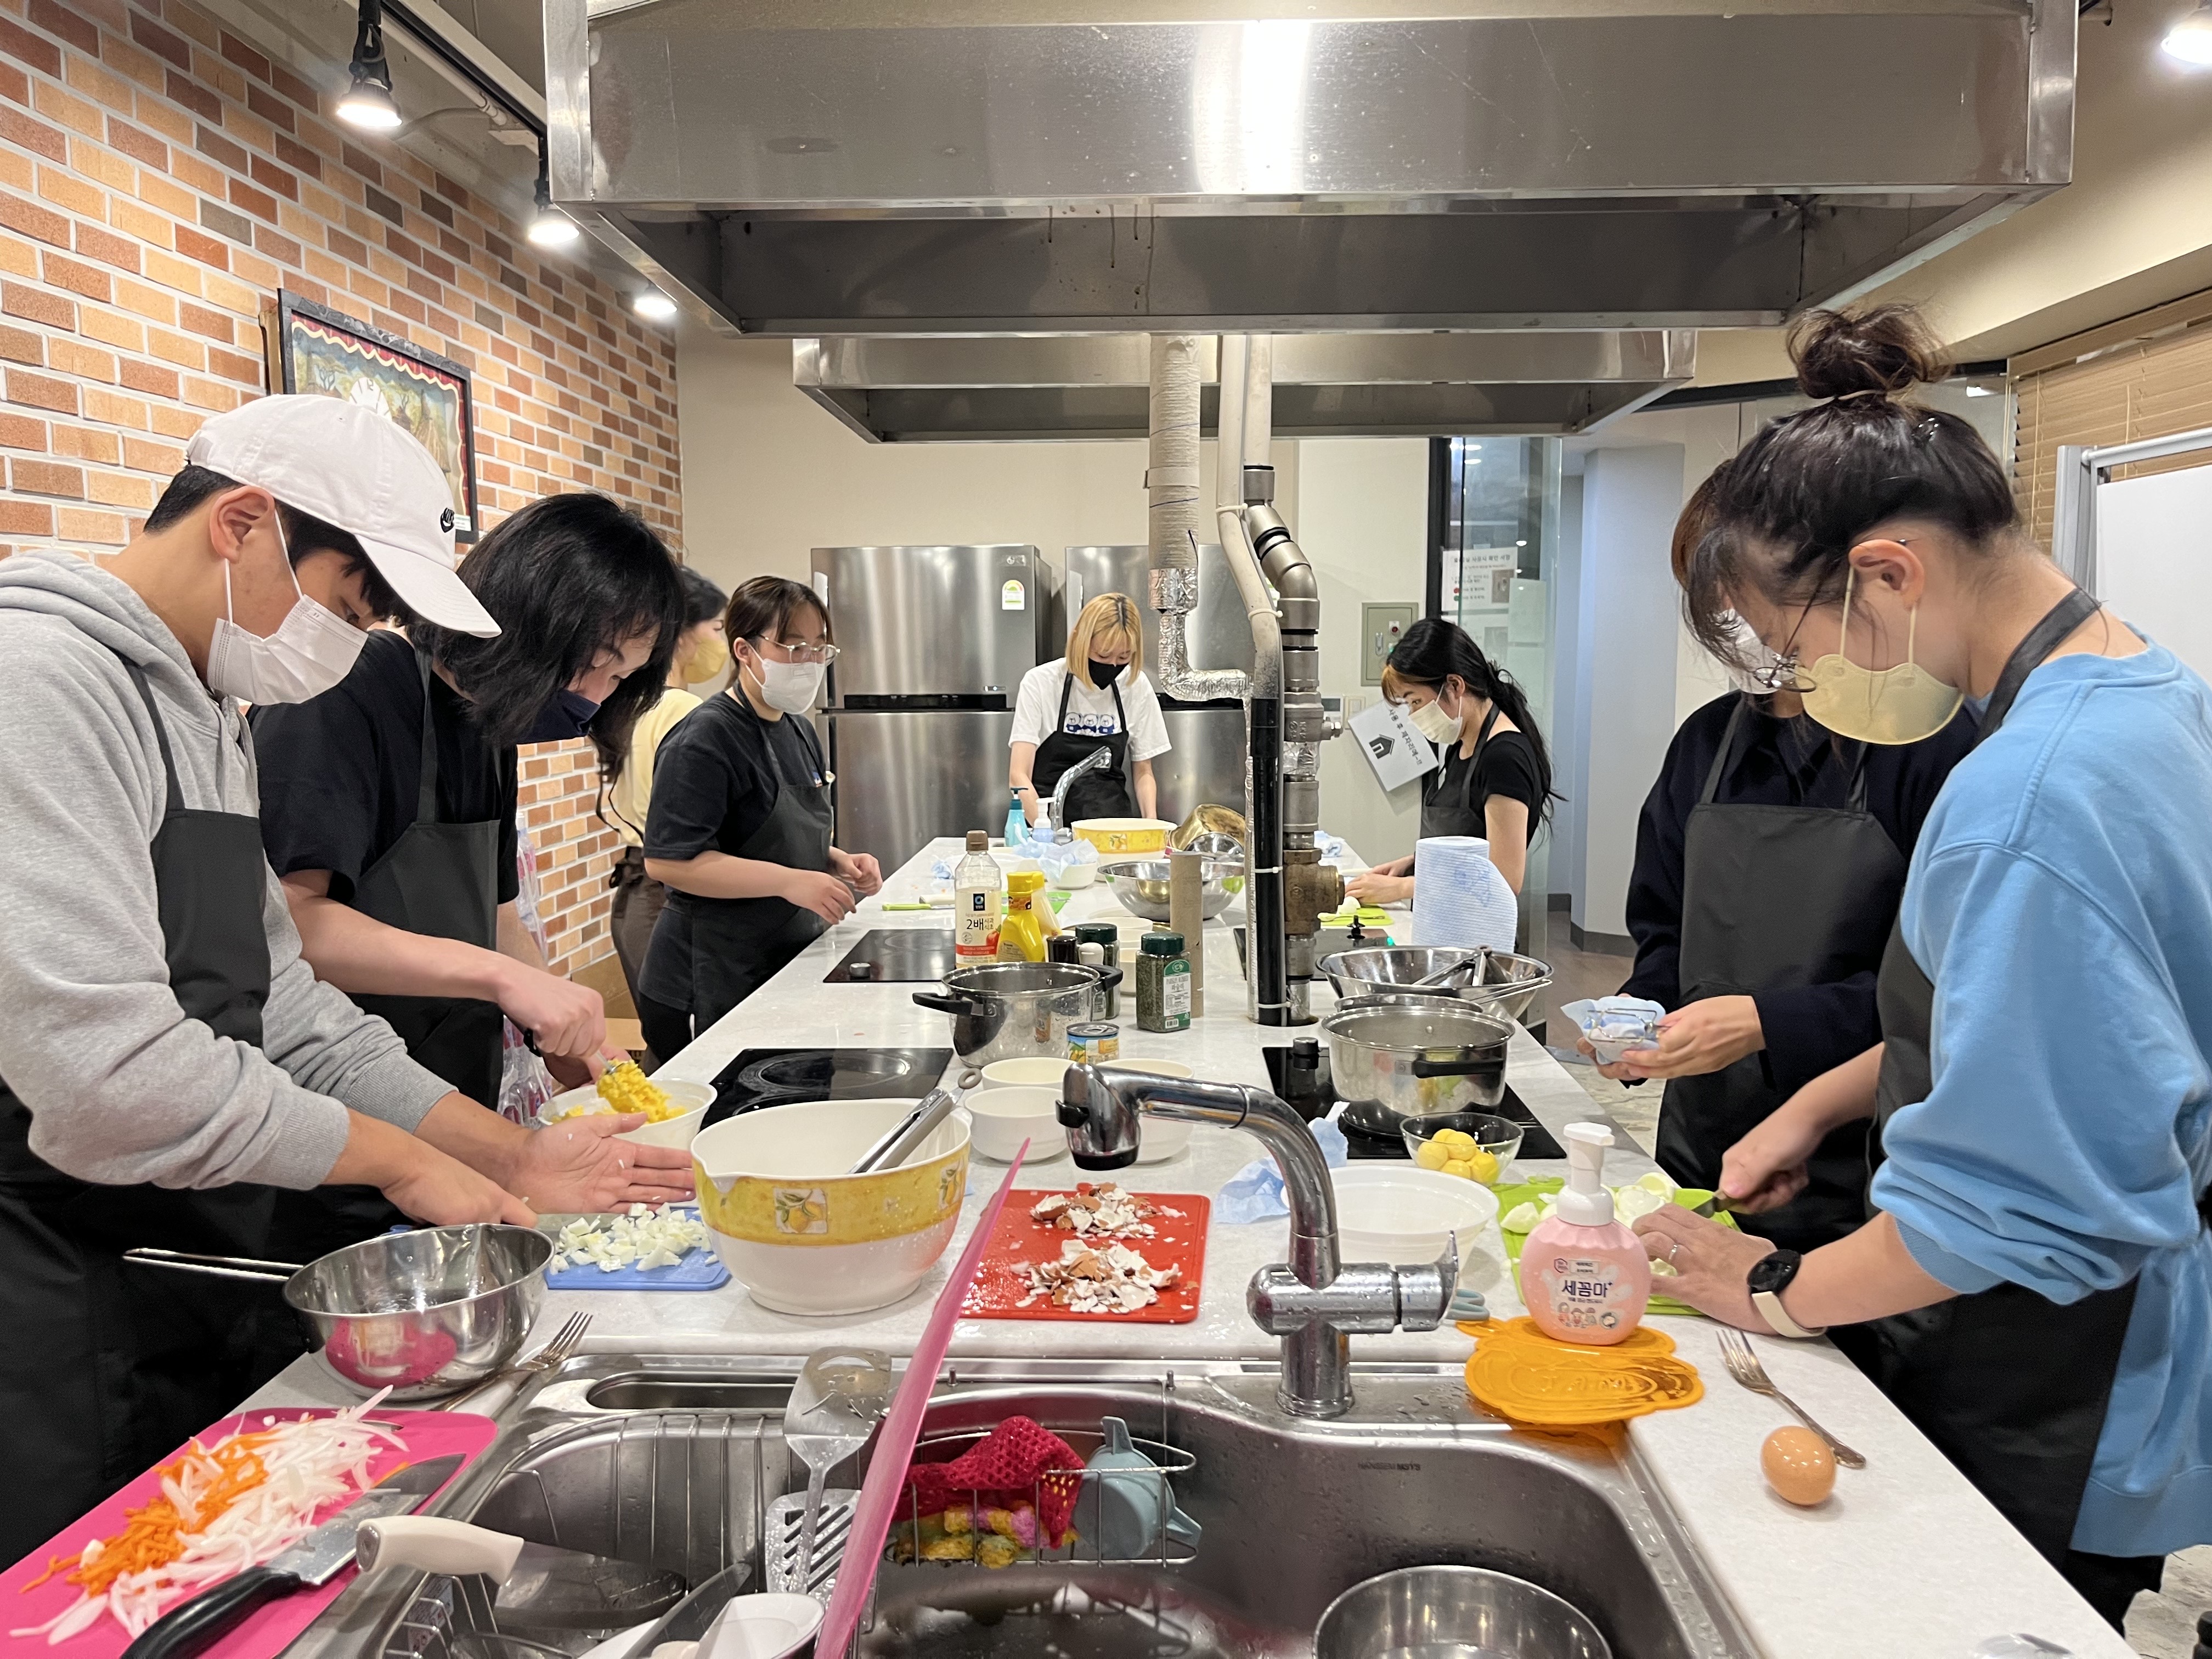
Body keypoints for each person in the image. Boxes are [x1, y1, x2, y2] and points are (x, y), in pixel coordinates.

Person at [1633, 304, 2212, 1627]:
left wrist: (1768, 1287)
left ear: (1886, 575)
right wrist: (1819, 1101)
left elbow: (2003, 1213)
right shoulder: (2152, 698)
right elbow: (2063, 1032)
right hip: (2108, 1323)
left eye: (1804, 644)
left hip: (2045, 1365)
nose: (1811, 680)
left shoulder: (2031, 793)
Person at [0, 397, 657, 1562]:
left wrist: (505, 1155)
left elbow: (295, 1007)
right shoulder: (41, 683)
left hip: (187, 1243)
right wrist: (402, 1160)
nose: (352, 644)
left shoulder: (204, 710)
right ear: (242, 524)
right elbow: (108, 1077)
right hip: (50, 1273)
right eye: (350, 607)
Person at [251, 490, 696, 1257]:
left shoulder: (489, 728)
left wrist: (568, 1033)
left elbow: (497, 915)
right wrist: (502, 980)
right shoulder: (347, 693)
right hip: (333, 1121)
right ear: (534, 618)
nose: (598, 698)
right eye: (599, 665)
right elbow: (290, 926)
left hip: (452, 1107)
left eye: (621, 680)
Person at [1601, 472, 1976, 1253]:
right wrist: (1639, 1020)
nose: (1735, 627)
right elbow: (1665, 929)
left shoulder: (1929, 751)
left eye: (1745, 602)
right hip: (1704, 1144)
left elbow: (1946, 998)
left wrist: (1770, 1023)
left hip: (1858, 1164)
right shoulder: (1707, 744)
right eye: (1713, 606)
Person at [637, 577, 883, 1059]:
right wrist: (790, 882)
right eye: (793, 647)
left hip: (781, 956)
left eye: (819, 648)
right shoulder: (704, 738)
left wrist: (834, 860)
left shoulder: (798, 731)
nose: (809, 662)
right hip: (710, 971)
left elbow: (760, 833)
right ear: (745, 651)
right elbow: (669, 862)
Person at [607, 564, 728, 1054]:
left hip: (634, 893)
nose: (721, 642)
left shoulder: (632, 703)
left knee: (663, 1040)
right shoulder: (685, 712)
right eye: (717, 628)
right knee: (690, 1050)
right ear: (680, 634)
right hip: (670, 896)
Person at [1346, 618, 1554, 901]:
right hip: (1445, 918)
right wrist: (1412, 864)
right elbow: (1469, 848)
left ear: (1454, 686)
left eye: (1415, 702)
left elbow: (1504, 880)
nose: (1413, 715)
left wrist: (1404, 888)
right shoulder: (1462, 746)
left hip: (1477, 927)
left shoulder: (1504, 758)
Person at [1008, 592, 1171, 826]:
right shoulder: (1041, 683)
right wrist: (1048, 834)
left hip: (1113, 829)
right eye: (1103, 655)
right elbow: (1018, 776)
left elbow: (1144, 771)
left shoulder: (1135, 685)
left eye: (1124, 657)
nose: (1113, 665)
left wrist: (1152, 825)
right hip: (1047, 827)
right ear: (1080, 642)